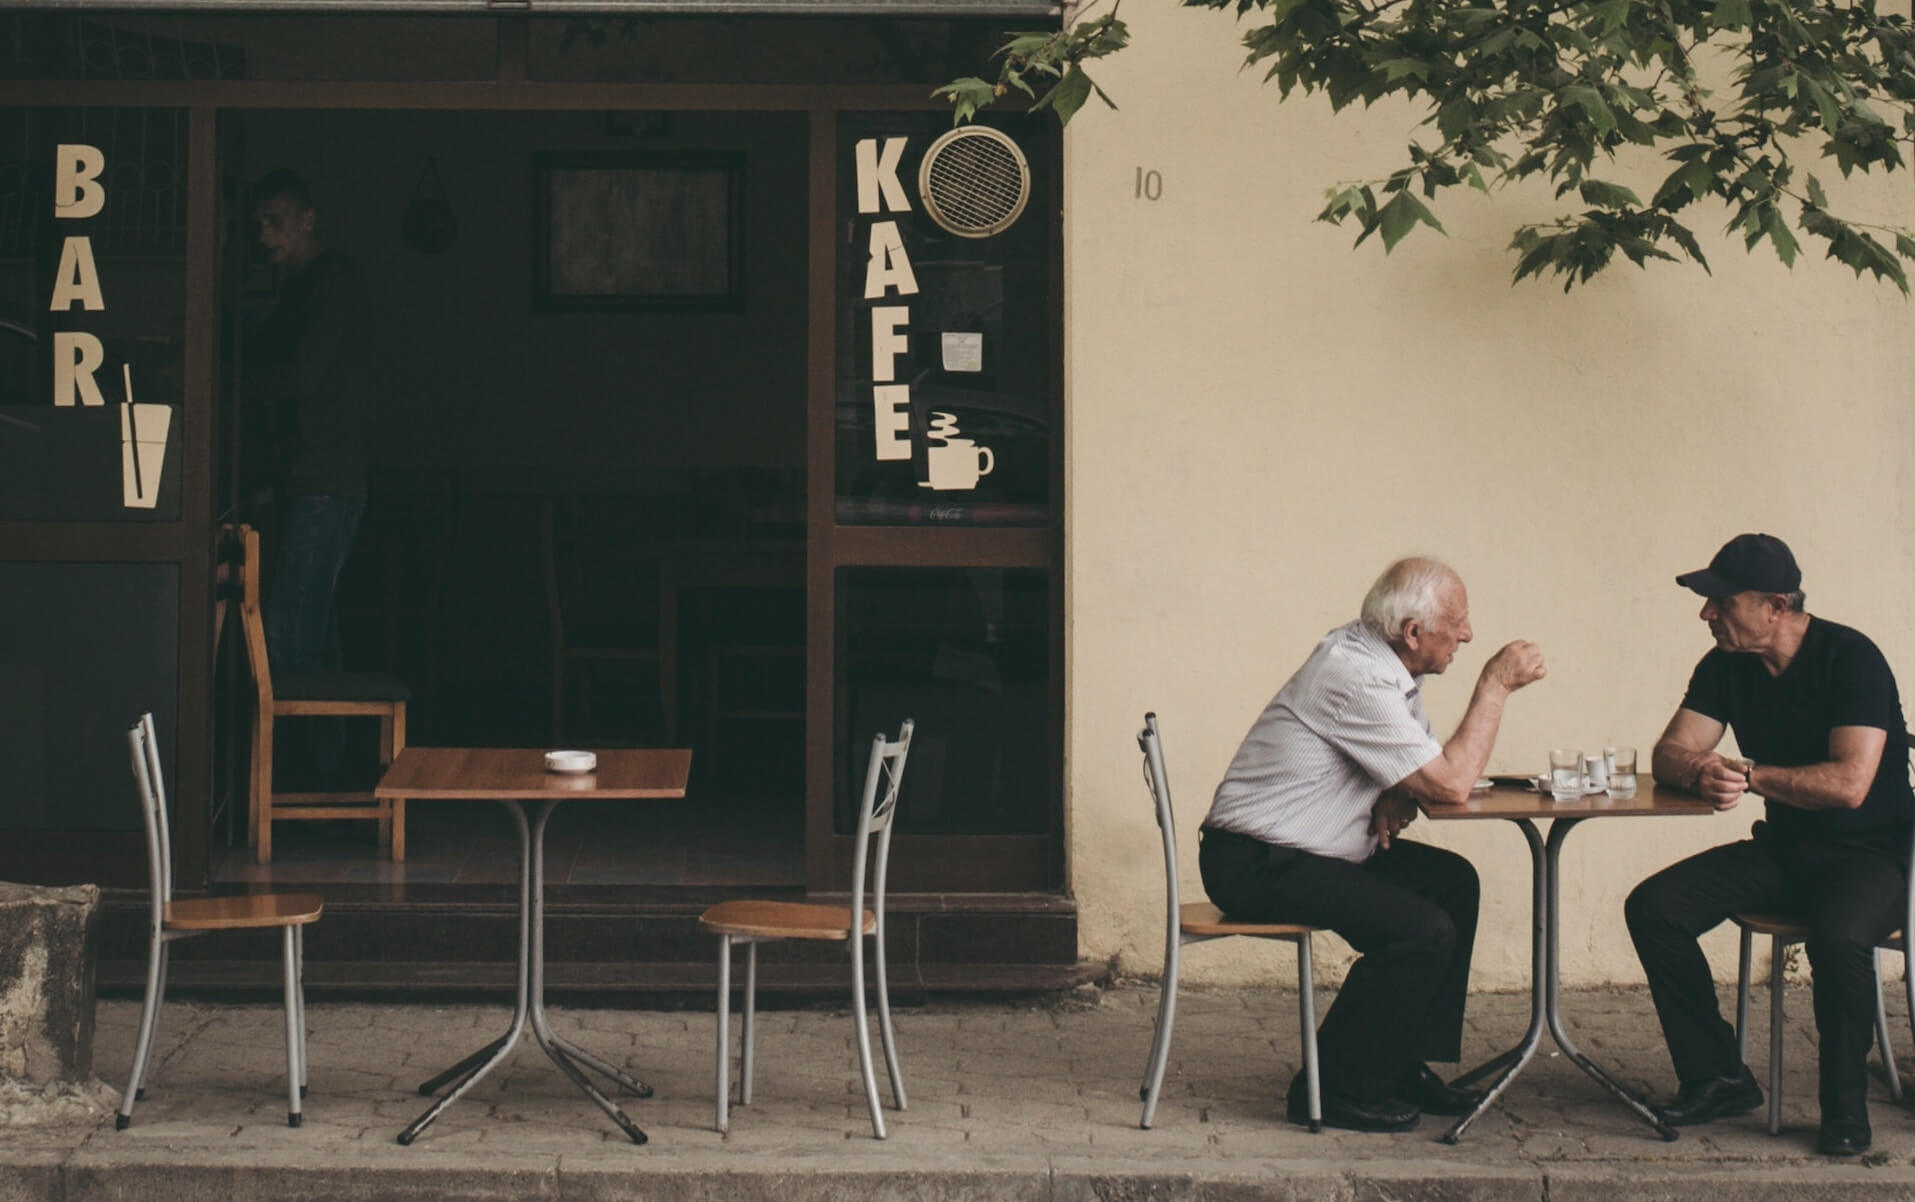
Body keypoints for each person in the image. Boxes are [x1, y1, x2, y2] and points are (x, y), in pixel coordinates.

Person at [1198, 557, 1547, 1132]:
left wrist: (1397, 784)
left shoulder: (1385, 667)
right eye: (1456, 622)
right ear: (1413, 633)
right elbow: (1451, 782)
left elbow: (1423, 770)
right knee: (1420, 931)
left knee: (1452, 884)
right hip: (1255, 860)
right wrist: (1495, 685)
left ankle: (1398, 1062)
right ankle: (1334, 1086)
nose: (1467, 634)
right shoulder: (1357, 674)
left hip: (1309, 849)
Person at [1625, 533, 1913, 1158]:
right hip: (1786, 850)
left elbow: (1850, 783)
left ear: (1776, 606)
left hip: (1876, 855)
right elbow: (1669, 752)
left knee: (1839, 939)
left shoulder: (1851, 658)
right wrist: (1697, 770)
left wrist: (1750, 775)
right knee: (1654, 906)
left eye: (1721, 602)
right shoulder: (1725, 665)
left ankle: (1844, 1111)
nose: (1707, 614)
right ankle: (1718, 1077)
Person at [249, 170, 371, 783]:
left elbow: (301, 376)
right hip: (306, 481)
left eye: (275, 221)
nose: (264, 235)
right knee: (312, 631)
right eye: (257, 224)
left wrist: (222, 381)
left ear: (307, 219)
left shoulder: (332, 280)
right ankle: (326, 780)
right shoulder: (296, 289)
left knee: (291, 633)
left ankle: (300, 783)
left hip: (323, 483)